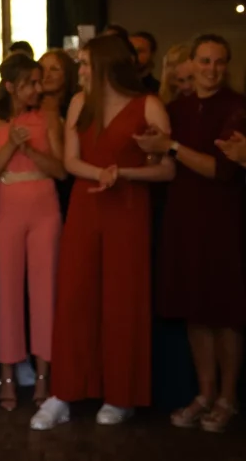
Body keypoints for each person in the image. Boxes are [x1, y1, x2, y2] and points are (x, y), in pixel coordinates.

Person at [31, 34, 175, 431]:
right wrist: (101, 173)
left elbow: (167, 168)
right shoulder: (80, 102)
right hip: (86, 205)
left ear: (108, 65)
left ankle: (121, 396)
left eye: (87, 64)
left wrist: (123, 173)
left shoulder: (149, 104)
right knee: (75, 296)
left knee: (122, 300)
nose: (82, 70)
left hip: (128, 209)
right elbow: (71, 161)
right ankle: (65, 391)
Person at [138, 35, 246, 433]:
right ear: (194, 63)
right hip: (184, 215)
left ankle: (227, 398)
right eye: (205, 61)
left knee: (226, 314)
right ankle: (204, 392)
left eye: (219, 61)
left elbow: (221, 169)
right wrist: (154, 147)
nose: (211, 69)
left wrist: (171, 146)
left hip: (223, 219)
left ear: (227, 65)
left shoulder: (237, 107)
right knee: (195, 311)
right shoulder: (176, 108)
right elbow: (161, 158)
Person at [0, 54, 65, 411]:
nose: (38, 88)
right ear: (12, 86)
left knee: (45, 292)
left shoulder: (49, 116)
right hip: (5, 207)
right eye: (30, 82)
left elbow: (61, 170)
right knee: (6, 293)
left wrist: (30, 147)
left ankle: (45, 375)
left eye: (39, 81)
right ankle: (7, 376)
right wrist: (12, 144)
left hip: (44, 206)